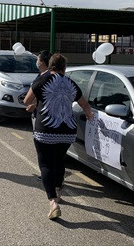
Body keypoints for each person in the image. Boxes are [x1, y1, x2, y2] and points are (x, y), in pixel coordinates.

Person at [24, 53, 94, 220]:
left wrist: (35, 105)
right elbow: (84, 105)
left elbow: (27, 100)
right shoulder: (70, 82)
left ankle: (53, 202)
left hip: (46, 130)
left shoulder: (42, 79)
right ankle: (57, 190)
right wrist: (90, 116)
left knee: (46, 164)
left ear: (50, 65)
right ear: (64, 68)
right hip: (68, 131)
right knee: (59, 160)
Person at [26, 50, 52, 128]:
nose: (37, 62)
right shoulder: (41, 75)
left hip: (43, 114)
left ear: (42, 62)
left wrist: (34, 105)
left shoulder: (48, 76)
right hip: (37, 112)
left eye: (38, 60)